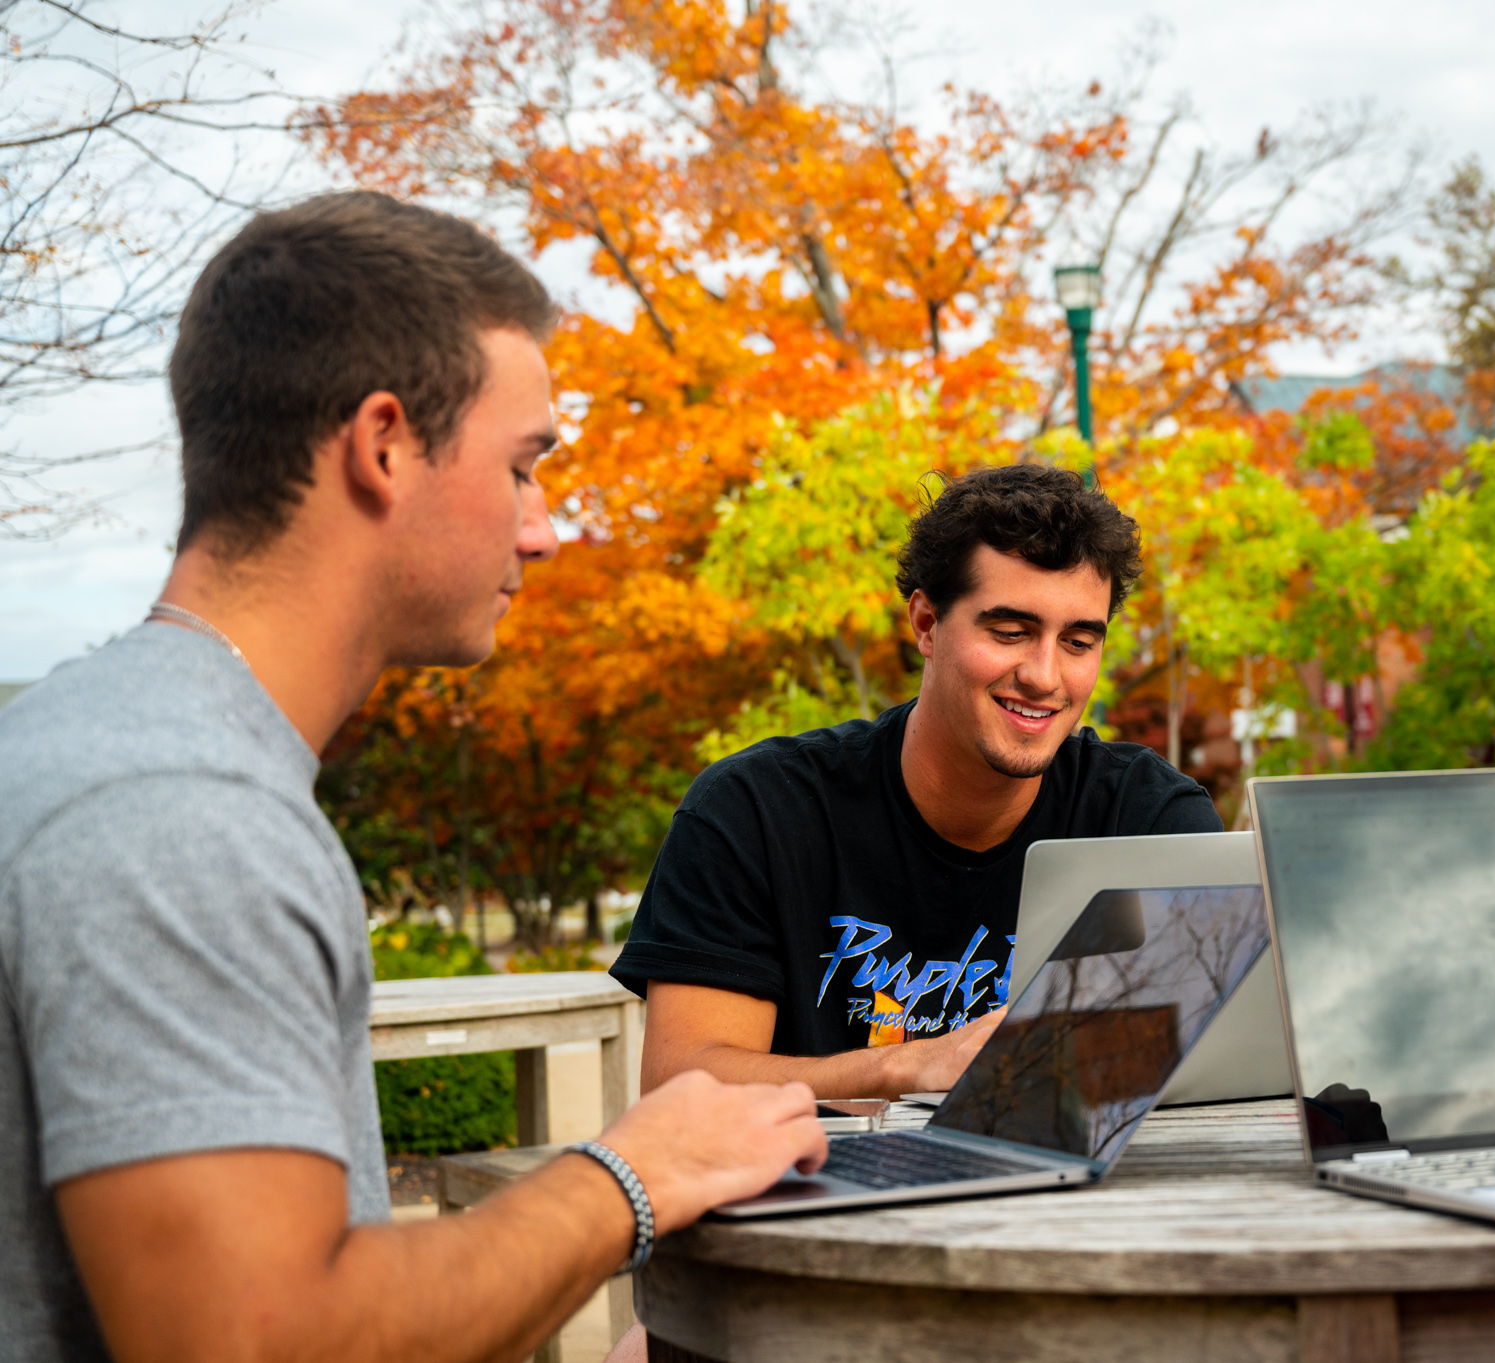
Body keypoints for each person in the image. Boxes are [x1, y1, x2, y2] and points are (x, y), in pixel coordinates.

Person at [0, 192, 827, 1363]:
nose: (543, 531)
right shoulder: (179, 806)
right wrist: (633, 1177)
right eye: (525, 466)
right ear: (383, 444)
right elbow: (265, 1341)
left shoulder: (105, 740)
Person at [612, 464, 1224, 1099]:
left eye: (1077, 642)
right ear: (927, 625)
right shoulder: (756, 811)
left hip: (1077, 1187)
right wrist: (905, 1066)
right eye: (1010, 632)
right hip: (824, 1189)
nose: (1045, 676)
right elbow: (681, 1083)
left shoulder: (1148, 819)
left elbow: (1202, 1065)